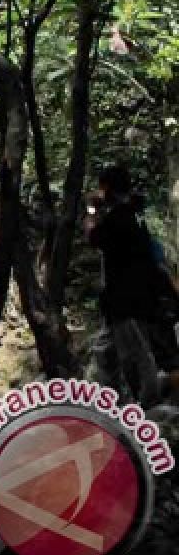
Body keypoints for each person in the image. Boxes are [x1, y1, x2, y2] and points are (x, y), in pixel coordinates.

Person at [85, 165, 179, 406]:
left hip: (126, 299)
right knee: (105, 350)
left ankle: (148, 405)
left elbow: (93, 237)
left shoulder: (119, 218)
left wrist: (92, 209)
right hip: (134, 297)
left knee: (137, 355)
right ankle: (112, 400)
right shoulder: (135, 213)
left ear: (107, 188)